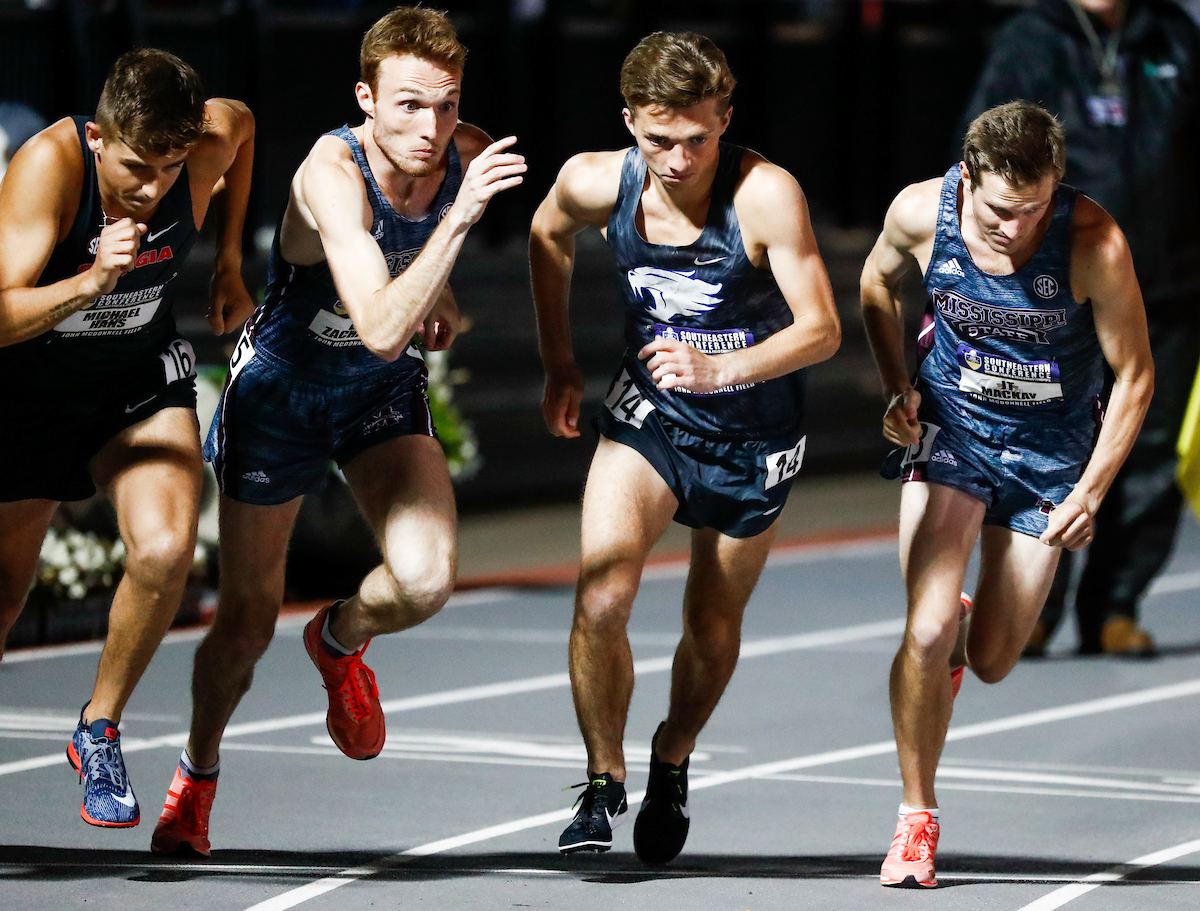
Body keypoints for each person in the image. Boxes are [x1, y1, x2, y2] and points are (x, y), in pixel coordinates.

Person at [149, 6, 524, 856]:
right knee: (245, 622)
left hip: (375, 394)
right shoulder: (332, 171)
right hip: (282, 393)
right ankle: (197, 774)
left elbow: (411, 304)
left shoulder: (463, 152)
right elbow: (383, 316)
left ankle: (339, 635)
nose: (431, 129)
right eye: (407, 107)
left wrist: (448, 301)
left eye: (446, 105)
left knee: (425, 580)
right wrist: (459, 224)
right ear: (366, 97)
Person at [530, 31, 840, 863]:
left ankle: (672, 754)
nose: (677, 157)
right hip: (652, 418)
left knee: (711, 620)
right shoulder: (596, 180)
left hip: (754, 434)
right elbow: (546, 236)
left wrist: (719, 366)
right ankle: (602, 780)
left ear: (725, 119)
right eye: (658, 138)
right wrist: (559, 359)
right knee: (600, 596)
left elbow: (822, 329)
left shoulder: (766, 195)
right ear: (628, 120)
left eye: (698, 138)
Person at [860, 100, 1153, 887]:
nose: (1011, 228)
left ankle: (966, 626)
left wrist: (1092, 487)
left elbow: (1136, 375)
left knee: (989, 659)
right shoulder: (923, 212)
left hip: (1050, 454)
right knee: (922, 632)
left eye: (1031, 211)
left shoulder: (1094, 244)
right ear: (967, 176)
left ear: (1056, 188)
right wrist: (897, 386)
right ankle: (915, 821)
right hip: (951, 429)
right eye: (996, 208)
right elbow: (876, 285)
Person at [0, 49, 254, 828]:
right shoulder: (50, 166)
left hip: (136, 381)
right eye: (138, 168)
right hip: (32, 388)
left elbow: (242, 126)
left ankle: (98, 726)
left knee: (168, 546)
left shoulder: (204, 140)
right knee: (5, 594)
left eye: (171, 169)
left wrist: (231, 261)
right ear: (101, 136)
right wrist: (87, 280)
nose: (152, 191)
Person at [962, 0, 1200, 656]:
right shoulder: (1031, 38)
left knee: (1149, 452)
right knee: (1045, 444)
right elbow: (982, 154)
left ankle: (1116, 606)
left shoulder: (1177, 37)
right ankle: (1034, 602)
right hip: (1055, 287)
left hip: (1168, 284)